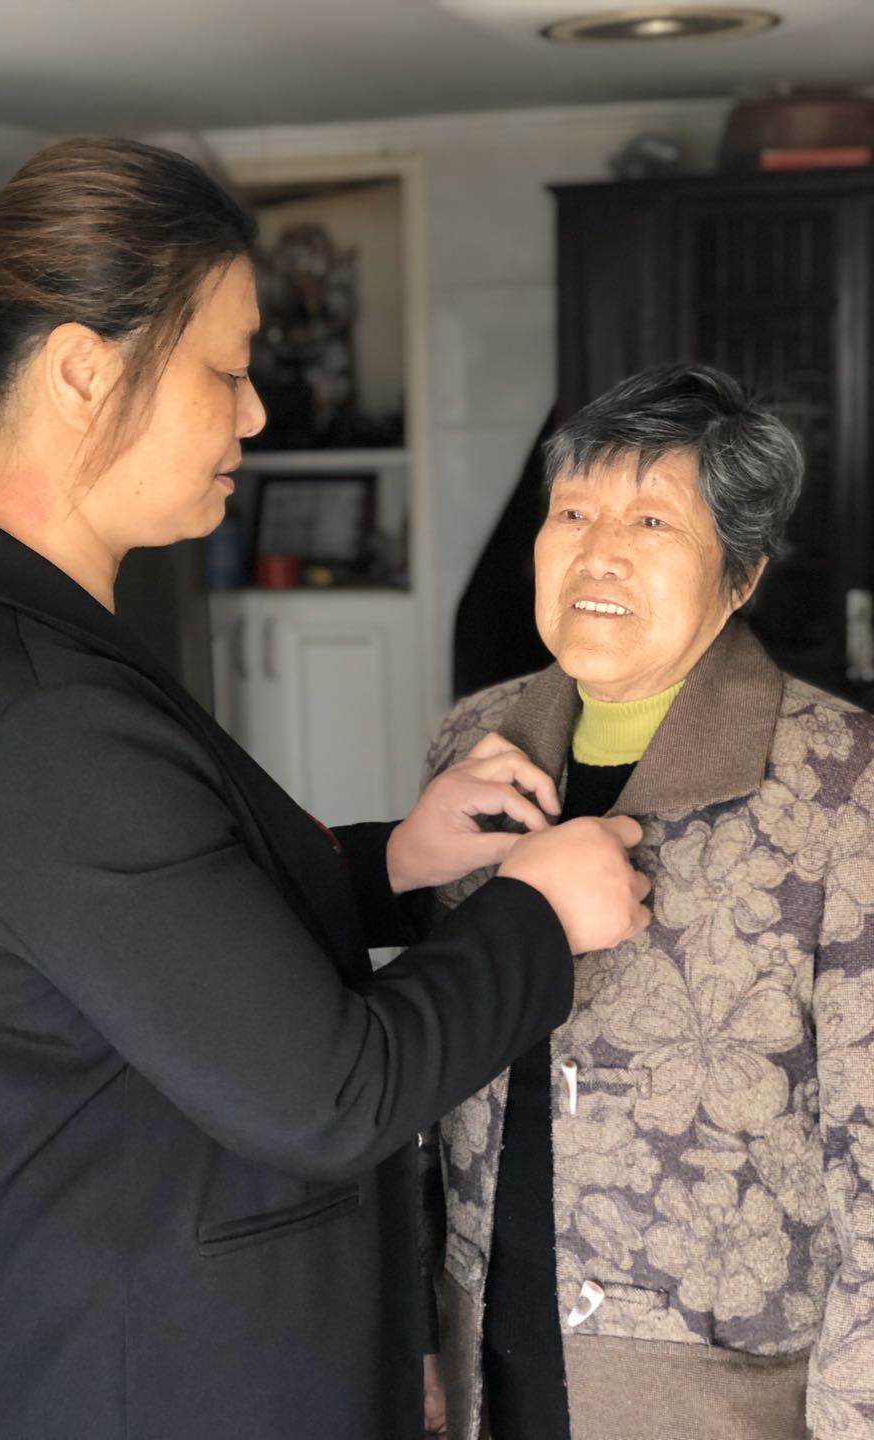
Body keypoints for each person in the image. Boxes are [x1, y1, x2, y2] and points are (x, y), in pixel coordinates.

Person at [0, 138, 650, 1440]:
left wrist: (392, 863)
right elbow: (333, 1093)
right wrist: (538, 914)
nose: (255, 414)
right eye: (227, 369)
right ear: (85, 372)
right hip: (135, 1380)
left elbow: (158, 921)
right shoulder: (38, 707)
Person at [418, 363, 874, 1440]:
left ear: (742, 575)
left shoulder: (842, 781)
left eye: (653, 520)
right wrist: (418, 1330)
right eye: (572, 513)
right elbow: (432, 1074)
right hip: (490, 1354)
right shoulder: (474, 744)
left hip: (719, 1395)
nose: (598, 552)